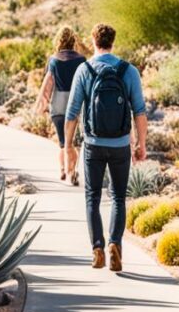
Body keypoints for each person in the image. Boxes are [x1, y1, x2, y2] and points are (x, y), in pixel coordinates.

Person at [63, 23, 147, 272]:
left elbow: (72, 111)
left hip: (92, 145)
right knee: (119, 197)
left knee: (92, 197)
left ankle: (97, 249)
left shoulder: (85, 69)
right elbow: (140, 111)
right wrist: (141, 143)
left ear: (93, 41)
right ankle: (115, 245)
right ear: (113, 41)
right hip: (121, 144)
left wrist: (68, 145)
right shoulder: (128, 70)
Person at [33, 26, 86, 184]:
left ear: (59, 41)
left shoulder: (53, 60)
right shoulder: (81, 60)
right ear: (73, 41)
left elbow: (48, 84)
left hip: (57, 105)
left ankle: (63, 169)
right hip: (75, 105)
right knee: (73, 142)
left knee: (63, 143)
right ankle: (73, 171)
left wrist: (42, 105)